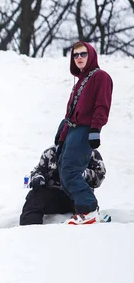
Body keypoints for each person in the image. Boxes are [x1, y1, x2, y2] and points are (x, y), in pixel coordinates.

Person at [55, 41, 112, 224]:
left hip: (84, 130)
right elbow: (69, 114)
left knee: (71, 171)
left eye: (83, 54)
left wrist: (95, 129)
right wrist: (62, 138)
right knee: (64, 172)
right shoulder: (79, 81)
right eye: (75, 55)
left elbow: (102, 105)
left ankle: (89, 210)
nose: (79, 57)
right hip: (71, 131)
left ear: (92, 55)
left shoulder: (100, 77)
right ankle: (88, 209)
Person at [20, 146, 106, 225]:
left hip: (78, 195)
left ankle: (86, 230)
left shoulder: (89, 153)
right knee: (34, 196)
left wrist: (82, 174)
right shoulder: (51, 153)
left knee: (86, 205)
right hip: (53, 195)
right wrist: (38, 177)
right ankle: (29, 229)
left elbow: (99, 176)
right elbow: (38, 170)